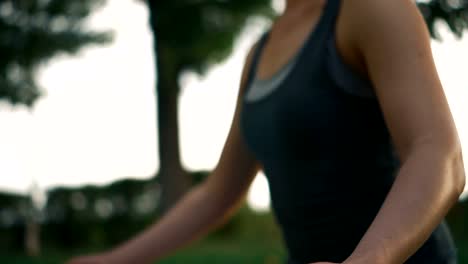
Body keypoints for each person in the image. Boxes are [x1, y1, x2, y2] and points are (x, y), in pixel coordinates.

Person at [67, 0, 466, 263]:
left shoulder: (372, 9)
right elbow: (216, 193)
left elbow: (438, 153)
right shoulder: (259, 51)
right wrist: (109, 261)